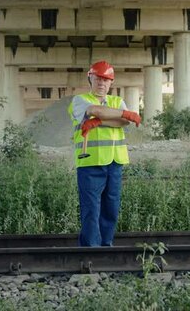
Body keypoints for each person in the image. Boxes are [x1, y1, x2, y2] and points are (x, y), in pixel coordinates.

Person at [68, 60, 142, 247]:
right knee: (91, 209)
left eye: (106, 79)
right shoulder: (80, 100)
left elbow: (124, 123)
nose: (101, 83)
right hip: (90, 163)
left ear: (111, 83)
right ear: (90, 79)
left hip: (115, 162)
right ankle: (91, 250)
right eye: (98, 78)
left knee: (111, 207)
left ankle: (106, 246)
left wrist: (98, 121)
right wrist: (124, 114)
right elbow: (94, 110)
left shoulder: (117, 101)